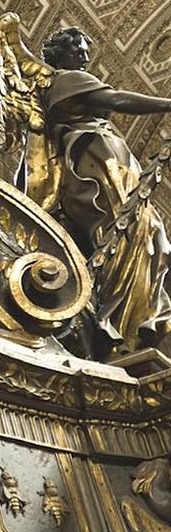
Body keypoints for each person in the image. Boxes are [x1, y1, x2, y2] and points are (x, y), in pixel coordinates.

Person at [38, 26, 171, 351]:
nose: (84, 55)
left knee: (150, 233)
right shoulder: (65, 79)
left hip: (108, 158)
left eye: (86, 49)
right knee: (124, 234)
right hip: (96, 162)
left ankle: (137, 320)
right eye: (77, 49)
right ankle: (122, 328)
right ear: (60, 54)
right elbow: (114, 99)